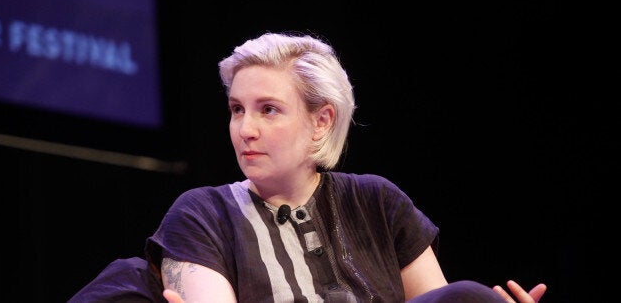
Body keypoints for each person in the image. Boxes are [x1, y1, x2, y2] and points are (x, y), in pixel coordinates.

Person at [141, 31, 547, 303]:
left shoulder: (377, 202)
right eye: (236, 109)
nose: (245, 129)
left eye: (269, 110)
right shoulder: (201, 214)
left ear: (322, 121)